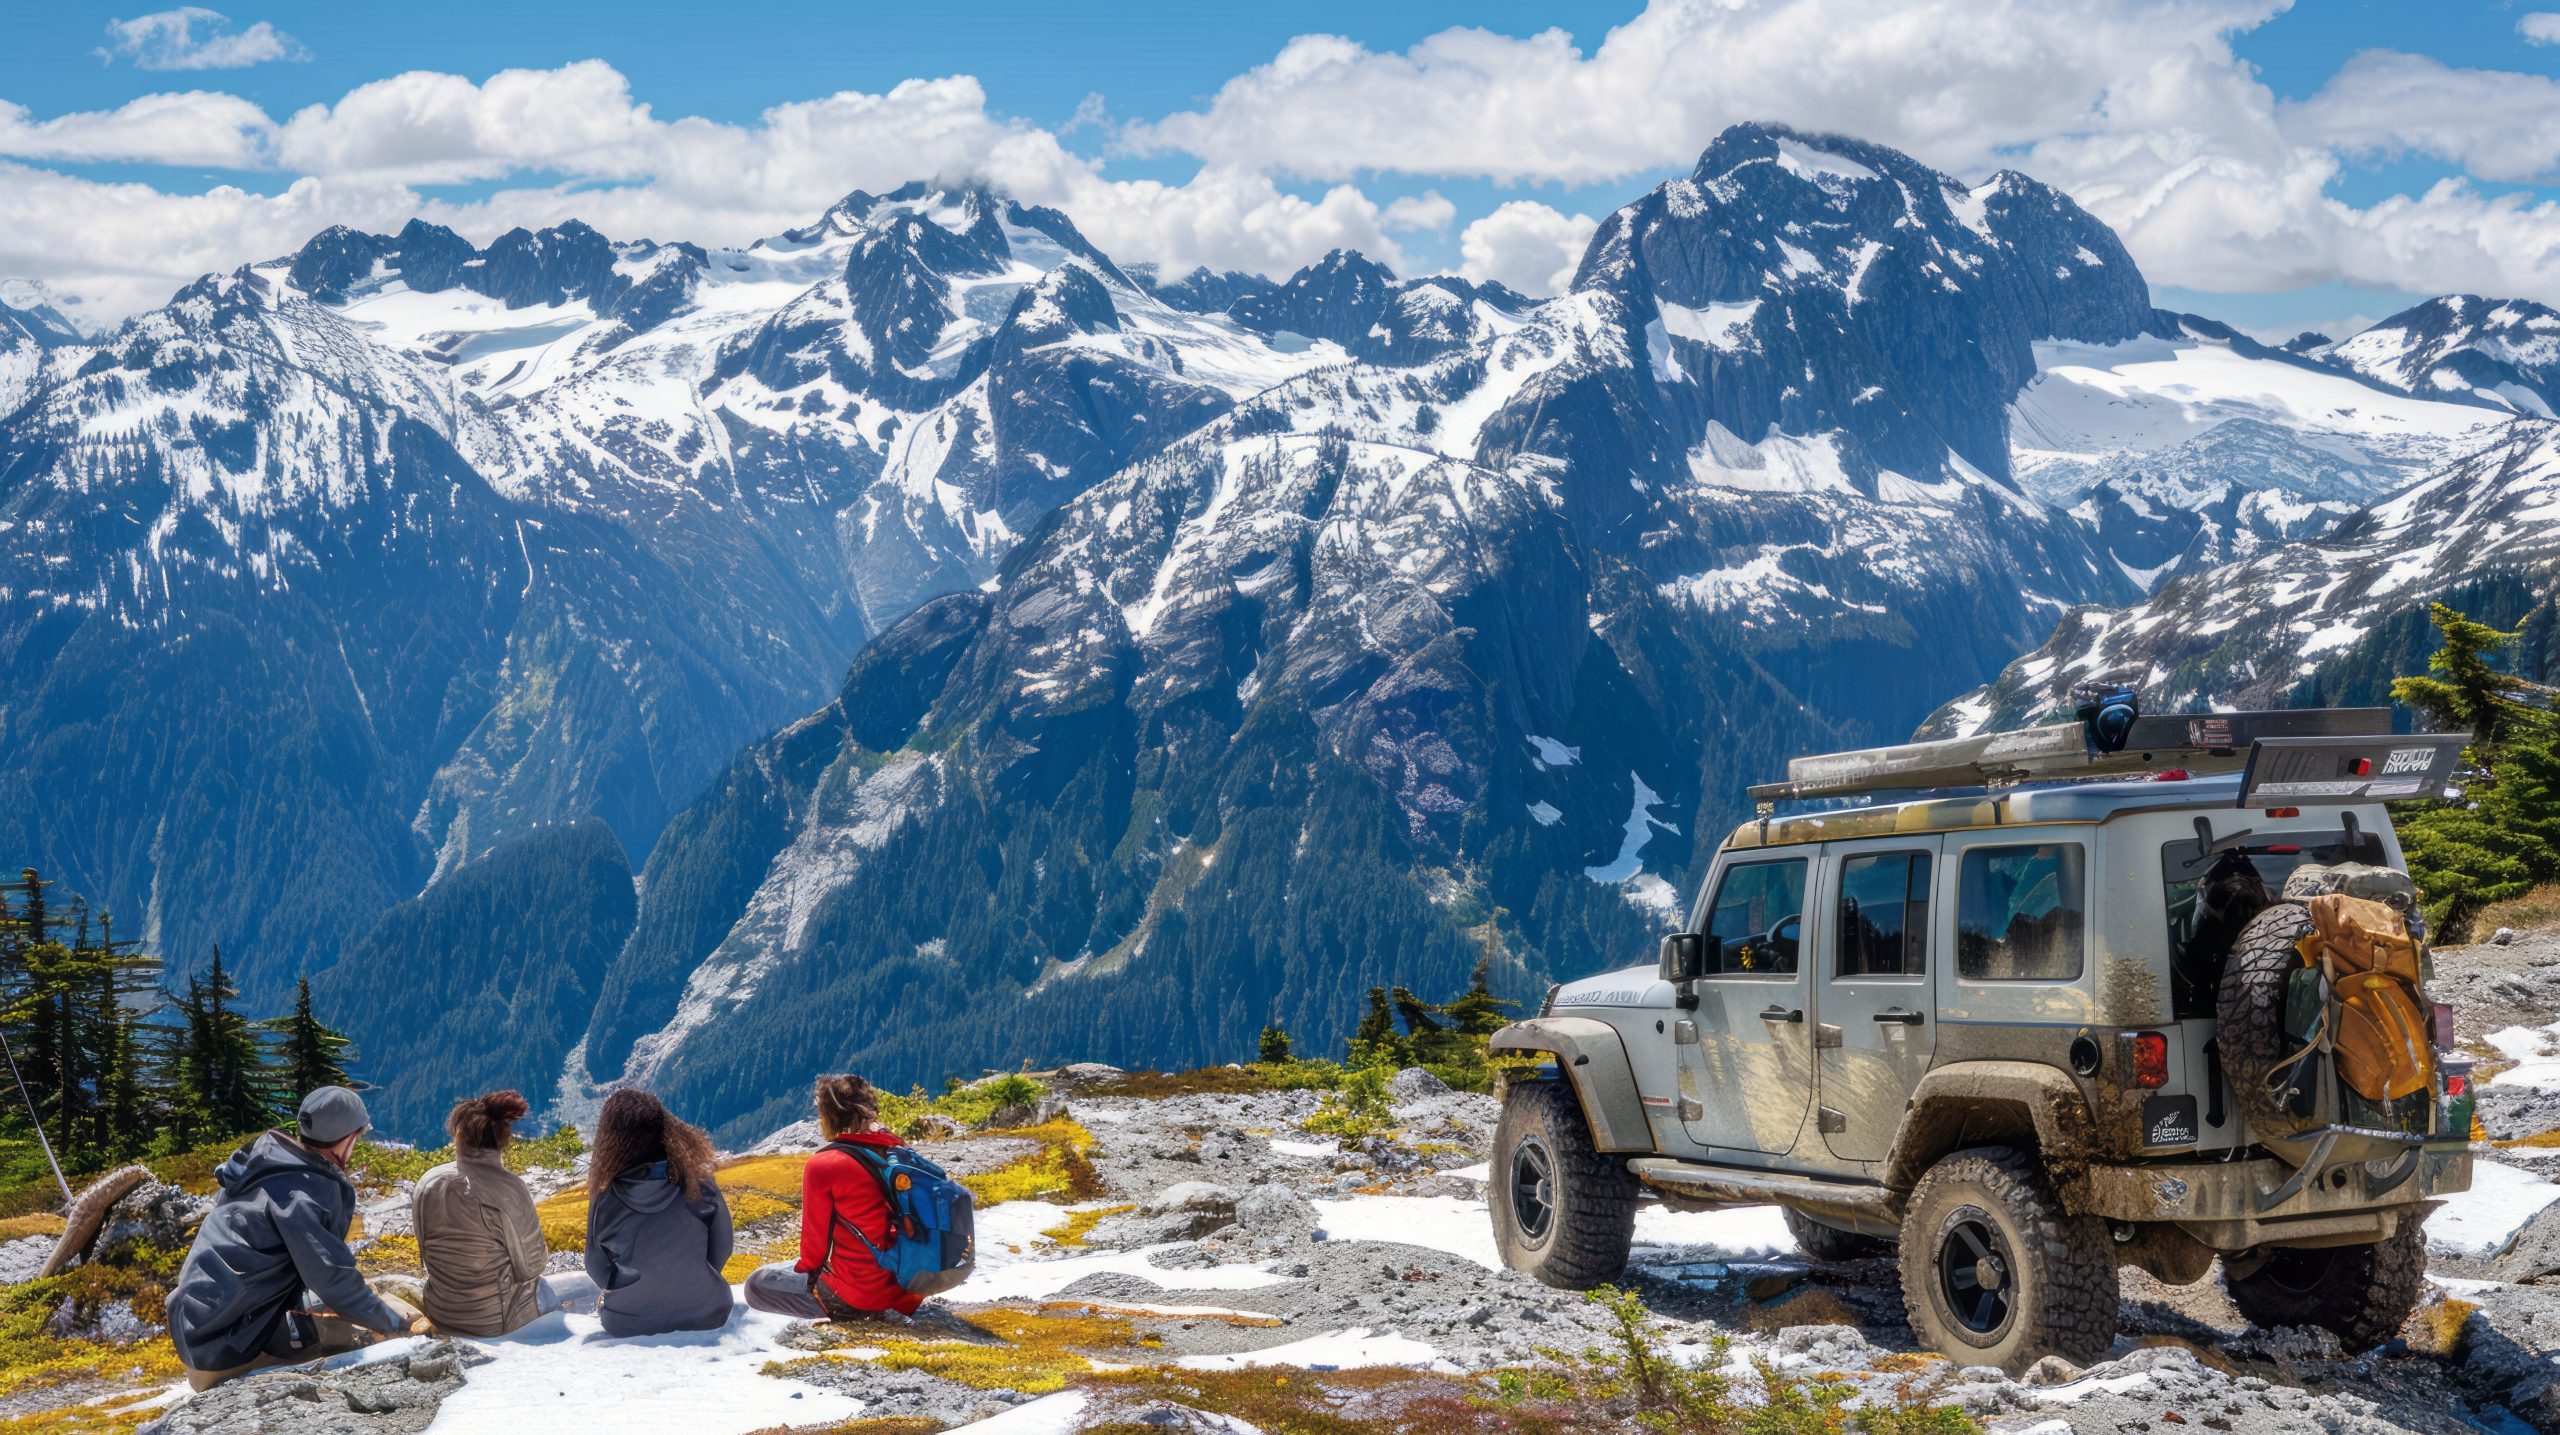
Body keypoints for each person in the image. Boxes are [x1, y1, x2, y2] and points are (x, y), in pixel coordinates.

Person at [165, 1086, 431, 1391]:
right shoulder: (303, 1193)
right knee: (358, 1341)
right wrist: (397, 1325)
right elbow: (332, 1281)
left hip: (201, 1333)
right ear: (349, 1138)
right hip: (228, 1351)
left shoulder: (265, 1167)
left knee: (345, 1314)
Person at [741, 1074, 924, 1321]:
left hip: (860, 1295)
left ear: (829, 1115)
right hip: (908, 1291)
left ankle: (840, 1312)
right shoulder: (898, 1150)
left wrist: (804, 1274)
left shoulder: (825, 1164)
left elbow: (813, 1256)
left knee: (756, 1284)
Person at [412, 1090, 597, 1336]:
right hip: (497, 1321)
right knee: (585, 1286)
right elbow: (533, 1267)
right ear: (503, 1140)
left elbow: (426, 1251)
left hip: (442, 1311)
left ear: (458, 1137)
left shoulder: (428, 1182)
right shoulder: (509, 1188)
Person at [583, 1089, 734, 1336]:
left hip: (627, 1320)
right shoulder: (699, 1182)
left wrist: (631, 1291)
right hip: (707, 1311)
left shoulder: (604, 1196)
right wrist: (695, 1277)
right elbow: (723, 1246)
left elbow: (595, 1265)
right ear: (666, 1129)